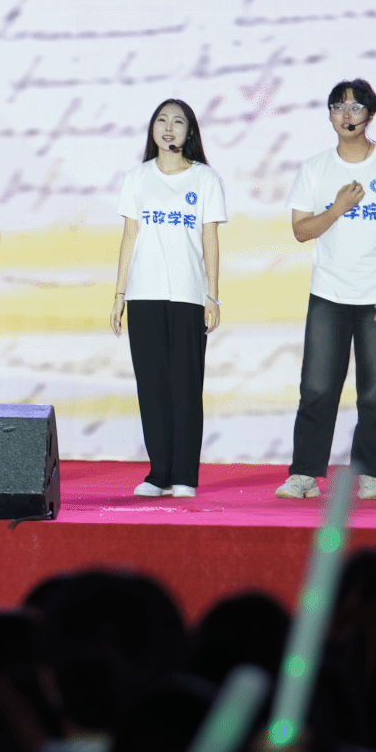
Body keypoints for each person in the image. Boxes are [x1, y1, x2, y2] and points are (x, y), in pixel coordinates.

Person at [277, 79, 376, 502]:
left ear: (370, 115)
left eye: (356, 108)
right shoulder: (315, 168)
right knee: (317, 388)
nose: (347, 114)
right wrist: (337, 208)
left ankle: (370, 473)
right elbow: (301, 230)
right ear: (330, 115)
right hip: (329, 293)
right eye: (338, 107)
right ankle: (304, 473)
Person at [109, 99, 225, 499]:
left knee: (186, 386)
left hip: (189, 296)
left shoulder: (205, 179)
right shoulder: (137, 178)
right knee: (153, 386)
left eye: (178, 121)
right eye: (162, 120)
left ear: (190, 132)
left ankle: (185, 475)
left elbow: (210, 239)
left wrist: (213, 296)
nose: (169, 127)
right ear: (152, 129)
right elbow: (130, 236)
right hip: (144, 293)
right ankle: (159, 473)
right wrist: (119, 294)